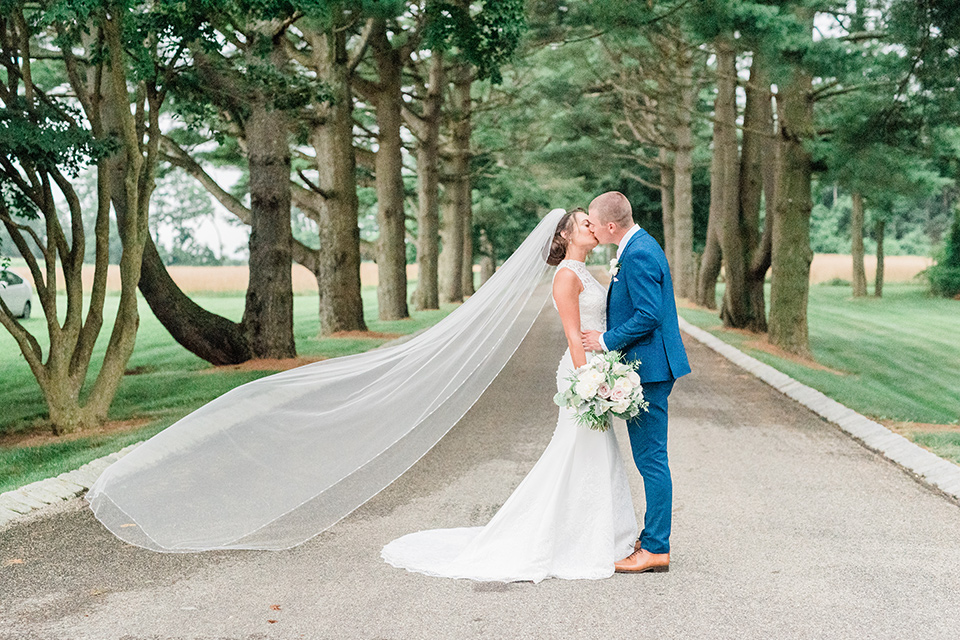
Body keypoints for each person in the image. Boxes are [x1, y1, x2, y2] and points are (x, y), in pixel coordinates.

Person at [380, 208, 638, 582]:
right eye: (585, 224)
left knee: (594, 452)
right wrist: (590, 382)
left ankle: (603, 535)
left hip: (597, 367)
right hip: (582, 372)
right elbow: (571, 334)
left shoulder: (585, 272)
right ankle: (574, 539)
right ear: (565, 235)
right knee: (579, 451)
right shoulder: (565, 276)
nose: (593, 228)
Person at [582, 191, 691, 574]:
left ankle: (656, 548)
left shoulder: (640, 252)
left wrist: (606, 341)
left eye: (593, 222)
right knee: (650, 458)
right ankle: (653, 541)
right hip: (649, 366)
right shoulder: (637, 246)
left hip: (651, 370)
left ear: (611, 226)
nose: (591, 228)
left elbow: (648, 314)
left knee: (651, 459)